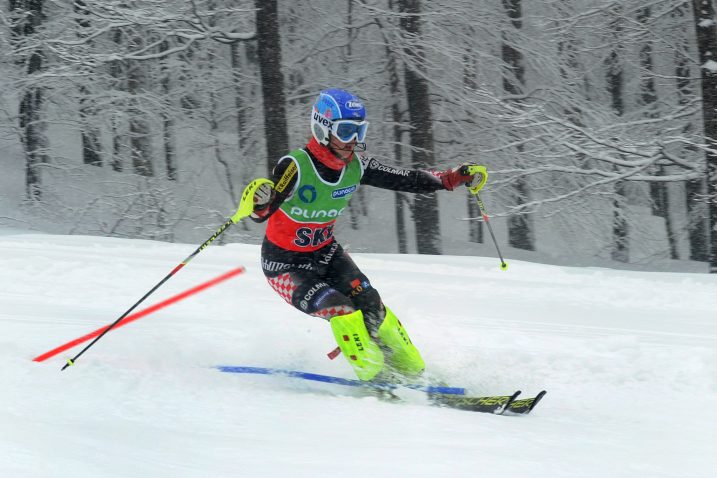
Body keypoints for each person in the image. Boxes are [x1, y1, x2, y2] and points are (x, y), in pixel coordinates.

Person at [248, 88, 484, 382]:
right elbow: (263, 211)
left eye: (359, 131)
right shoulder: (295, 165)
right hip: (284, 265)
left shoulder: (357, 166)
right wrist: (259, 202)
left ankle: (414, 374)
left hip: (326, 254)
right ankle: (374, 375)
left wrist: (450, 178)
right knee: (342, 310)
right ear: (323, 128)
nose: (353, 141)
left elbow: (406, 178)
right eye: (346, 131)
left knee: (373, 306)